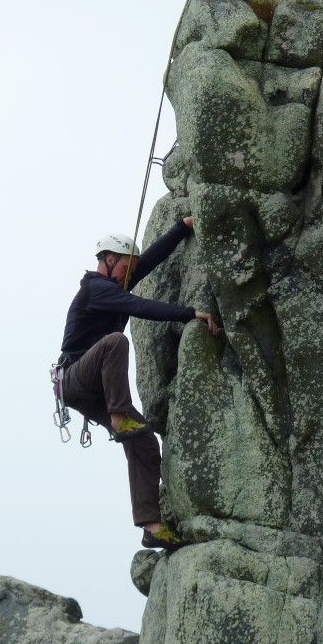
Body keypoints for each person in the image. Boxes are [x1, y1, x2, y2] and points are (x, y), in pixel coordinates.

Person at [59, 216, 218, 550]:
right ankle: (120, 414)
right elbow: (138, 305)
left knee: (144, 441)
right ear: (110, 260)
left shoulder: (115, 284)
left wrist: (182, 227)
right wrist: (190, 313)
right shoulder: (95, 289)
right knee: (116, 341)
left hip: (93, 388)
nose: (130, 276)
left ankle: (152, 526)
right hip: (76, 377)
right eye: (126, 268)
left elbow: (148, 261)